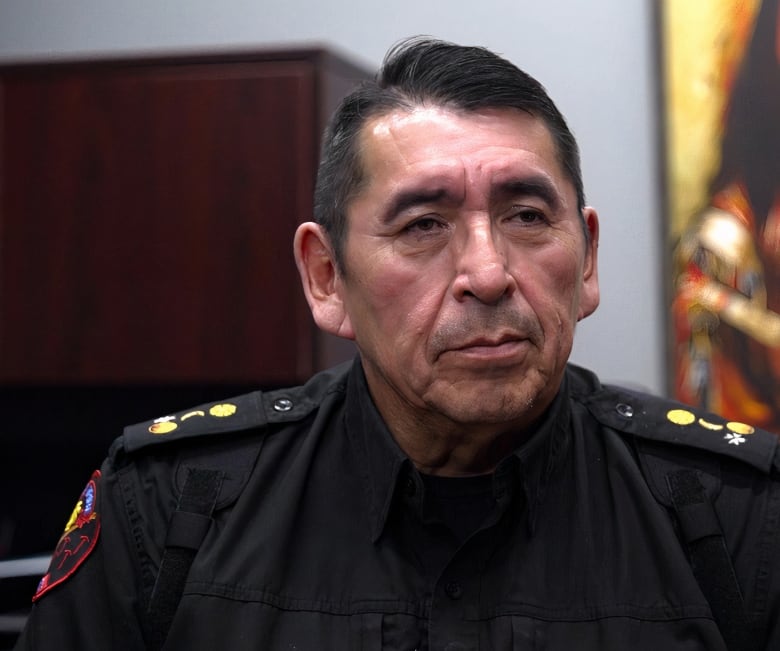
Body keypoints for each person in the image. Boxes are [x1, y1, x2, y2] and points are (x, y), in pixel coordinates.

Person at [15, 37, 780, 650]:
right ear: (326, 276)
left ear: (585, 260)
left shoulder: (733, 517)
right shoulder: (171, 508)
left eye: (525, 215)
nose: (487, 273)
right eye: (423, 225)